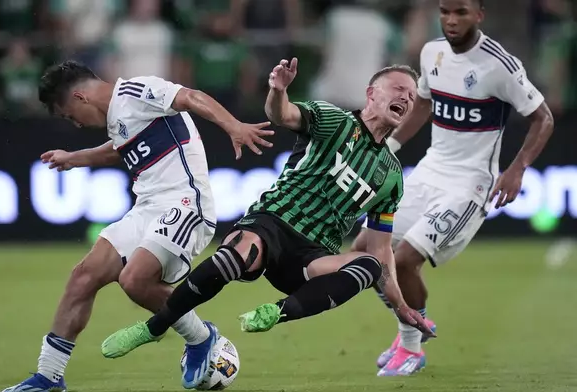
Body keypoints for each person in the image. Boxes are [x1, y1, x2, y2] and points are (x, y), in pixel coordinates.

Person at [99, 58, 435, 382]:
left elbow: (381, 248)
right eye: (397, 88)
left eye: (411, 94)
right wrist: (278, 91)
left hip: (313, 256)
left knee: (369, 266)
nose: (405, 97)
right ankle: (154, 328)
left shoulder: (392, 177)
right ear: (371, 94)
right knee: (239, 253)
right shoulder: (335, 120)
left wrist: (401, 306)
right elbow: (283, 115)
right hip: (272, 221)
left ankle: (277, 312)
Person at [2, 60, 274, 392]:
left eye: (68, 114)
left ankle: (202, 338)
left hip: (185, 203)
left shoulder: (135, 91)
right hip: (146, 208)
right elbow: (118, 151)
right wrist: (74, 158)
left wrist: (234, 126)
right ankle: (49, 377)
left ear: (79, 97)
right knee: (83, 276)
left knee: (134, 279)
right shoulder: (119, 119)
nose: (73, 123)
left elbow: (190, 96)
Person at [351, 0, 555, 377]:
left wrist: (517, 169)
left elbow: (543, 118)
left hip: (470, 184)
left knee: (406, 259)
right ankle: (412, 325)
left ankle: (411, 347)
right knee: (364, 249)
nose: (451, 20)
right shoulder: (432, 53)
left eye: (460, 12)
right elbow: (424, 106)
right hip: (430, 171)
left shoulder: (500, 65)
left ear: (479, 14)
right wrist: (388, 147)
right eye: (445, 11)